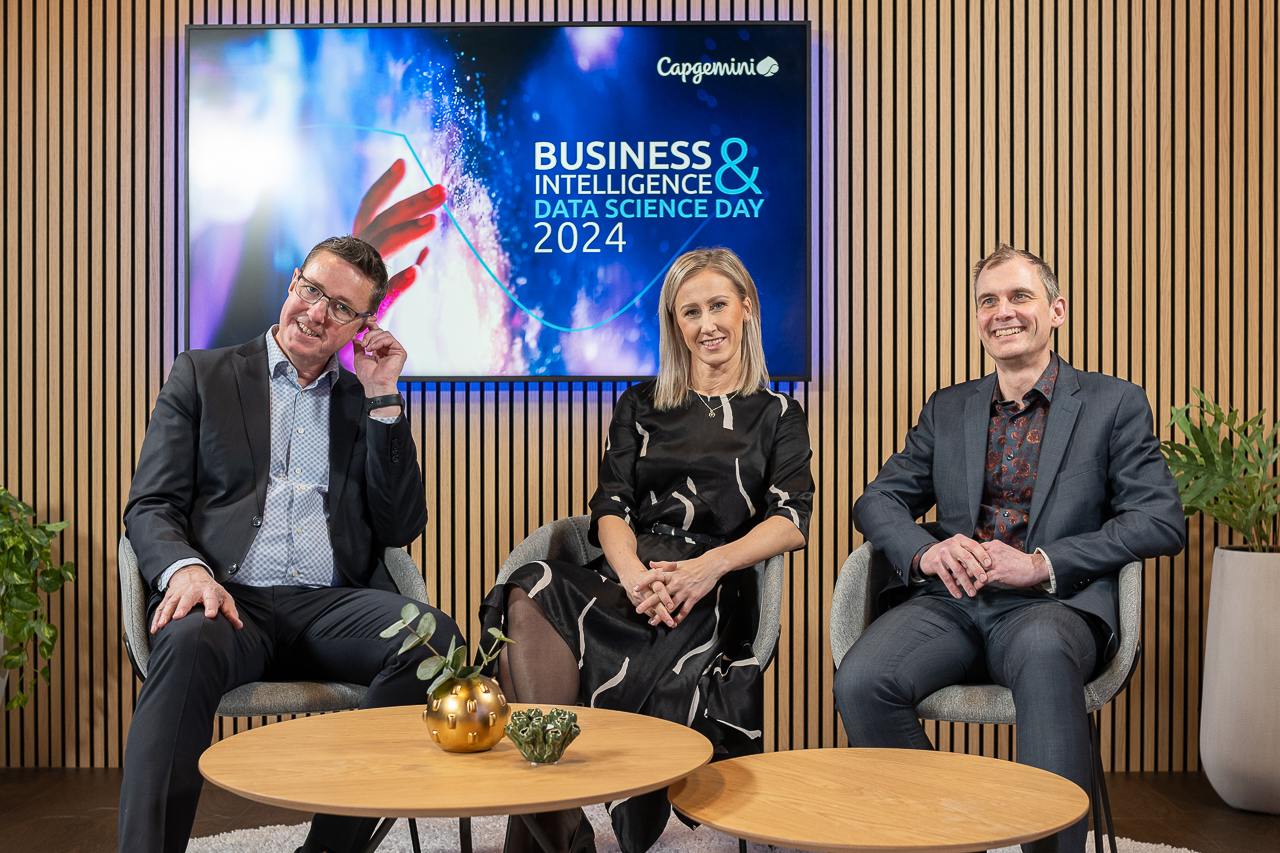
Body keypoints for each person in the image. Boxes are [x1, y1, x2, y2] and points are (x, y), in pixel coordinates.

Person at [834, 245, 1186, 852]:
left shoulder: (1112, 403)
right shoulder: (948, 410)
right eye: (987, 301)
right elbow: (877, 501)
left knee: (1046, 656)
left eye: (1019, 296)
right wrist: (926, 552)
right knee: (864, 680)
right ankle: (946, 839)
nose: (1003, 312)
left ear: (1057, 311)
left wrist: (1041, 563)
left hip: (1054, 606)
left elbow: (1160, 520)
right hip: (951, 602)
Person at [119, 235, 465, 853]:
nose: (316, 312)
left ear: (363, 325)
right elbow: (150, 503)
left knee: (434, 639)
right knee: (187, 640)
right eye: (312, 290)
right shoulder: (202, 374)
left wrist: (384, 396)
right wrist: (185, 571)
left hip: (329, 606)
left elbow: (399, 527)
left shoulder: (365, 398)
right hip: (228, 599)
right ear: (292, 285)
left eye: (341, 307)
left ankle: (329, 849)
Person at [479, 247, 815, 853]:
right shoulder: (641, 402)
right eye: (691, 312)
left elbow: (791, 520)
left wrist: (709, 567)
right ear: (675, 324)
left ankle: (546, 834)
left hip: (713, 586)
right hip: (627, 578)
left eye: (718, 305)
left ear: (746, 308)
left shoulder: (779, 414)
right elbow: (609, 507)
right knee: (529, 588)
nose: (707, 324)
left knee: (522, 670)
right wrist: (633, 575)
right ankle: (559, 819)